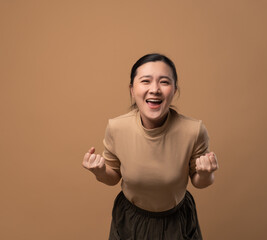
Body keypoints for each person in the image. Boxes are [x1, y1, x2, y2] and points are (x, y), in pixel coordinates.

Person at [82, 53, 218, 240]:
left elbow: (200, 182)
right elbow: (113, 176)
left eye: (164, 82)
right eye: (145, 81)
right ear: (132, 89)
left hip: (177, 220)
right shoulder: (117, 127)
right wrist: (99, 171)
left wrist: (205, 173)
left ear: (175, 89)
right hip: (130, 220)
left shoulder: (194, 130)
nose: (155, 89)